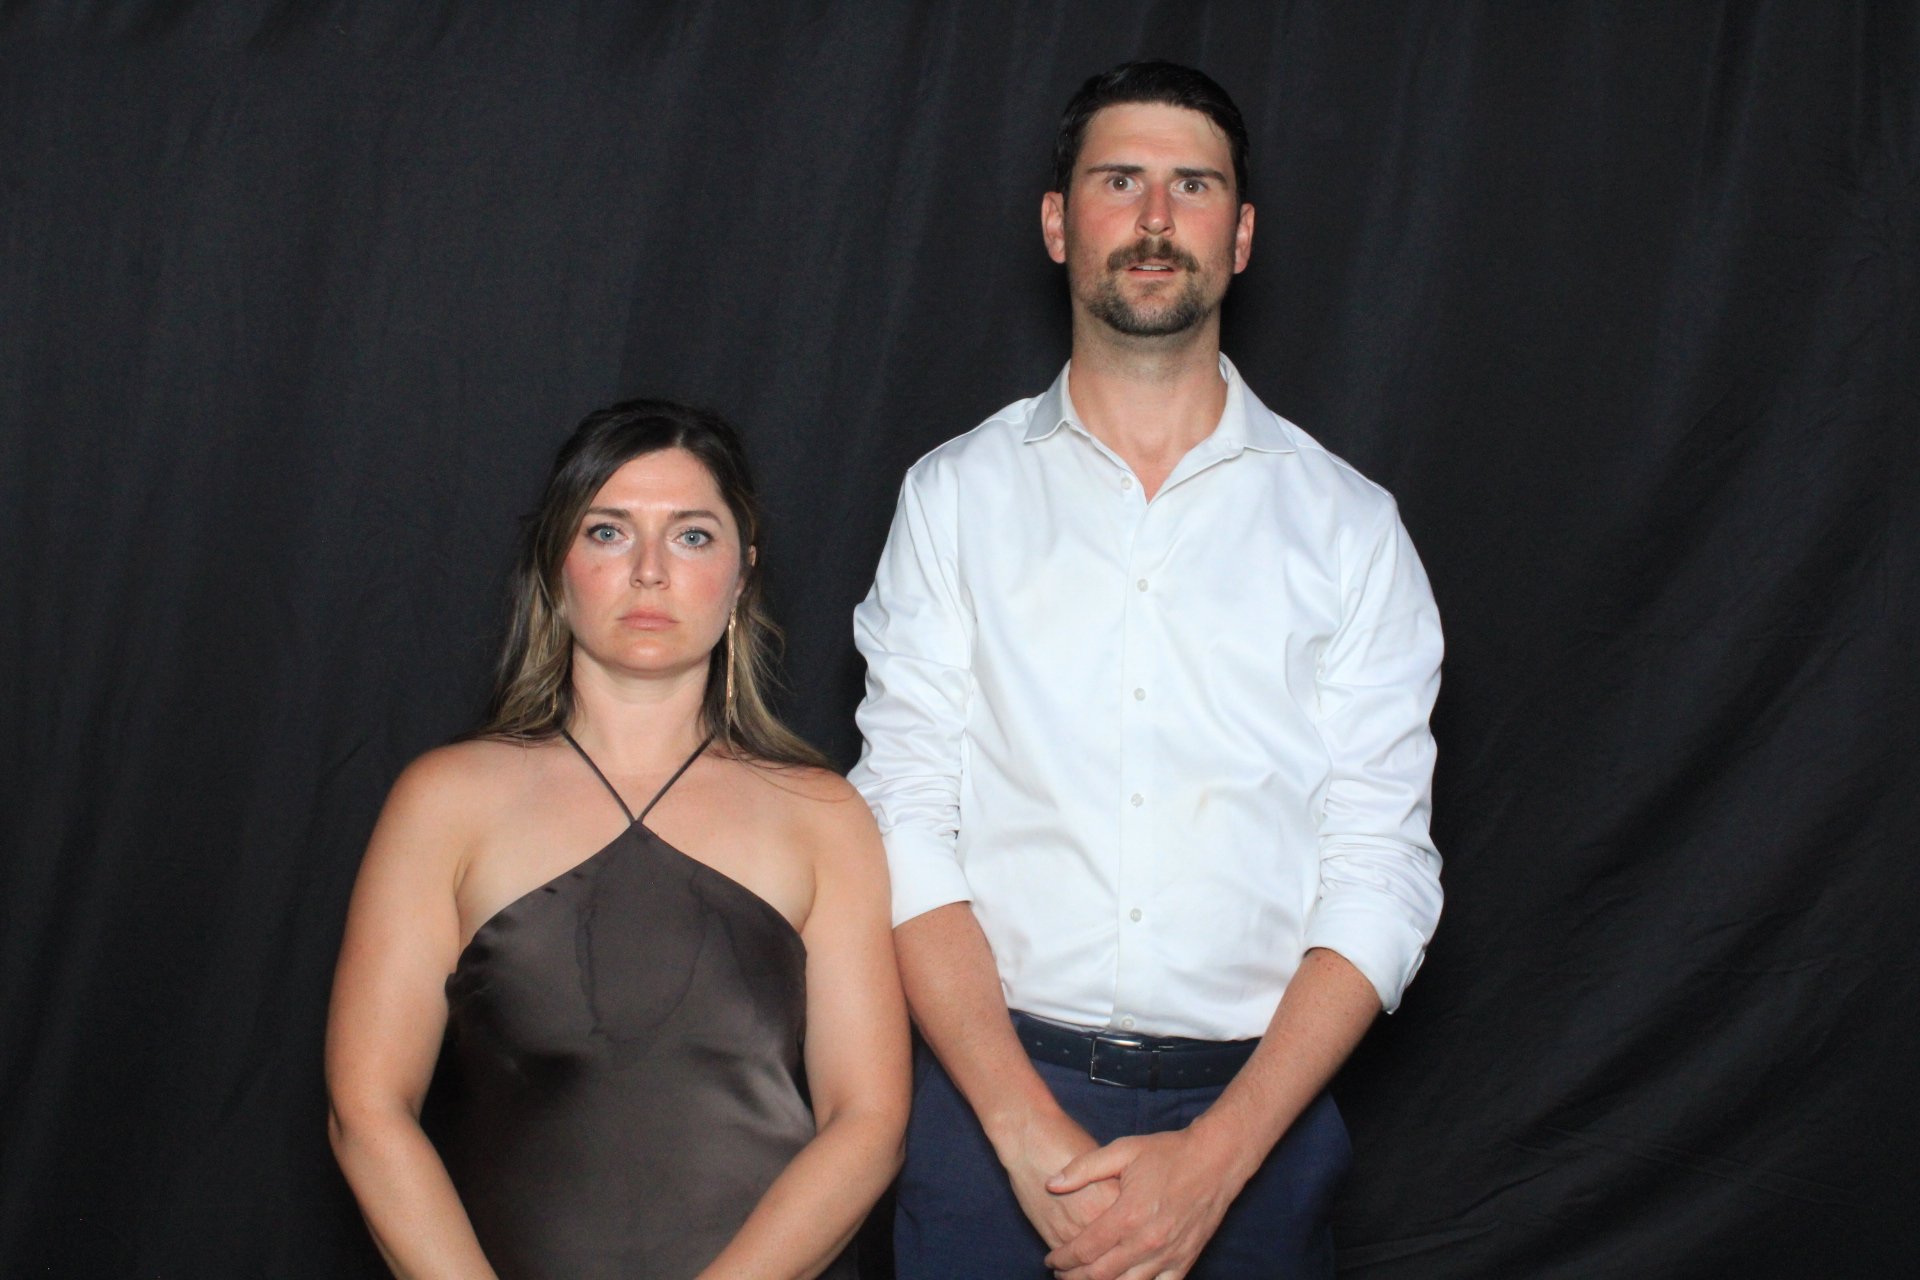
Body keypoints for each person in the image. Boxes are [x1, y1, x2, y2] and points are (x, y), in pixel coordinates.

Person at [850, 61, 1445, 1279]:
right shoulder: (953, 496)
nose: (1157, 218)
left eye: (1194, 185)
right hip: (988, 1101)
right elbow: (904, 816)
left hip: (1257, 1110)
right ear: (1061, 222)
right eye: (1120, 181)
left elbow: (1382, 868)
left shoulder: (1351, 527)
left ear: (1241, 233)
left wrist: (1217, 1158)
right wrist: (1023, 1136)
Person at [326, 400, 909, 1280]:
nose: (647, 572)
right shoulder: (444, 802)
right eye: (607, 532)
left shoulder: (823, 817)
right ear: (557, 565)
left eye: (690, 537)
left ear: (743, 572)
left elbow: (868, 1122)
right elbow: (366, 1110)